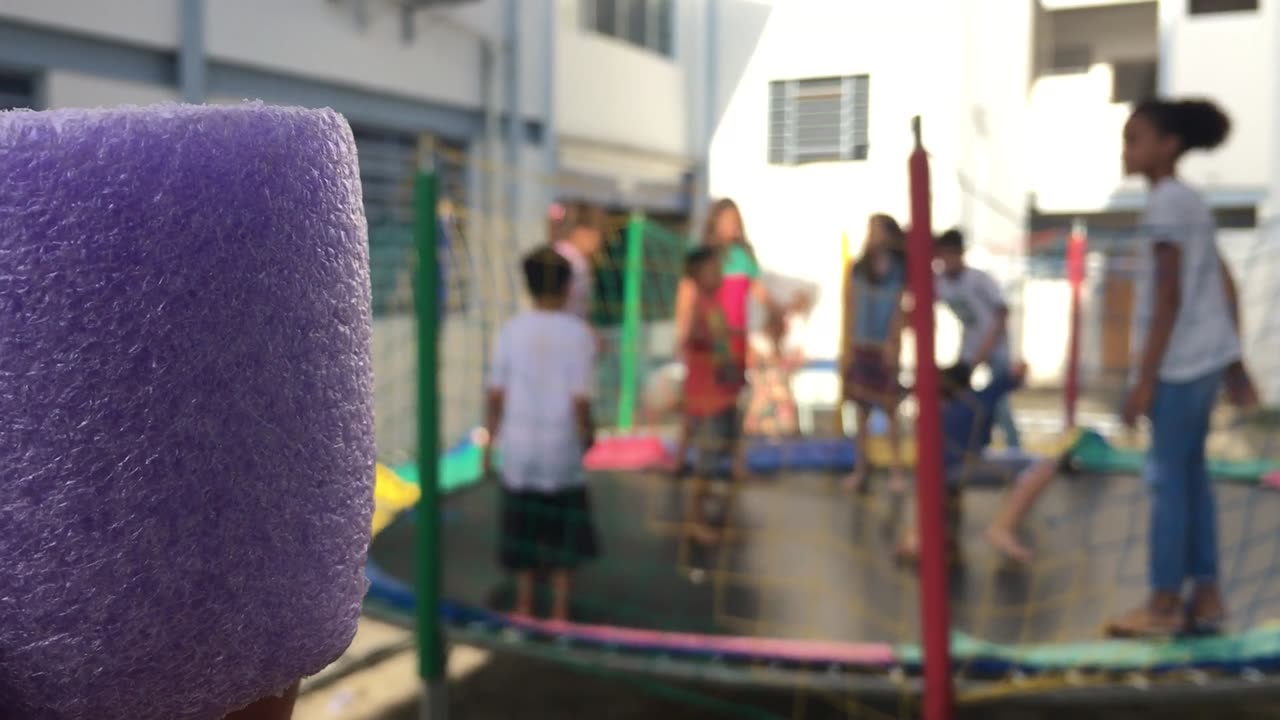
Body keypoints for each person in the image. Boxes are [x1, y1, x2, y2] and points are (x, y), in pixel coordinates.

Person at [1104, 98, 1253, 638]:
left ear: (1168, 145)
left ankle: (1165, 602)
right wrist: (1234, 360)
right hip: (1205, 357)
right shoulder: (1190, 200)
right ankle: (1207, 595)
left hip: (1180, 364)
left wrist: (1143, 379)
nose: (1127, 150)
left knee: (1167, 482)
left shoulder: (1167, 202)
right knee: (1191, 479)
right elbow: (1223, 280)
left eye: (1135, 138)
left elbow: (1168, 294)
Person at [482, 247, 598, 621]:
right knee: (564, 533)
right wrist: (588, 433)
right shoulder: (578, 334)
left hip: (520, 448)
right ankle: (561, 610)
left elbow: (496, 393)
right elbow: (580, 399)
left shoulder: (512, 330)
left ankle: (525, 604)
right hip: (560, 448)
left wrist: (490, 439)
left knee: (524, 529)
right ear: (567, 287)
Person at [671, 199, 806, 478]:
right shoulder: (703, 258)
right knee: (696, 400)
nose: (731, 225)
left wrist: (782, 310)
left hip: (733, 340)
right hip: (706, 340)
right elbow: (687, 297)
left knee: (733, 399)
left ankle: (737, 461)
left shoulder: (743, 258)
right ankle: (682, 457)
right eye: (726, 219)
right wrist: (682, 334)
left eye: (735, 219)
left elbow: (760, 293)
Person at [898, 363, 1026, 562]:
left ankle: (925, 539)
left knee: (943, 498)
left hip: (936, 473)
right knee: (1039, 466)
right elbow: (1012, 376)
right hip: (963, 468)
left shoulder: (932, 410)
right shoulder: (976, 401)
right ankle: (1002, 528)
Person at [934, 228, 1021, 450]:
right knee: (960, 397)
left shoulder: (978, 279)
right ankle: (970, 444)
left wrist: (986, 350)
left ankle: (1013, 447)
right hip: (969, 349)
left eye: (952, 254)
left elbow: (1001, 313)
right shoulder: (941, 282)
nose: (947, 260)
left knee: (999, 401)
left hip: (995, 347)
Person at [679, 246, 744, 544]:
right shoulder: (698, 304)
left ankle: (704, 505)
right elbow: (692, 336)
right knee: (705, 459)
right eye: (713, 270)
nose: (719, 274)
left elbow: (720, 346)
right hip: (705, 398)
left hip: (719, 393)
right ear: (697, 275)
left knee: (720, 450)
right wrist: (707, 337)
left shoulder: (713, 304)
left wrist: (730, 367)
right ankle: (695, 520)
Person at [841, 214, 909, 494]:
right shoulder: (859, 268)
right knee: (861, 411)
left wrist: (894, 344)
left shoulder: (898, 270)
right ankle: (861, 468)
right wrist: (847, 347)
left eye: (877, 230)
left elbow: (898, 309)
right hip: (862, 343)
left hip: (884, 346)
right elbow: (851, 307)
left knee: (891, 409)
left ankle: (896, 470)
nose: (872, 235)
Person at [745, 305, 804, 438]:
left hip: (782, 403)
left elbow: (800, 358)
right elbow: (751, 362)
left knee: (786, 439)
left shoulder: (788, 343)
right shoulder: (757, 341)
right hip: (763, 401)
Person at [552, 200, 605, 323]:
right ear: (582, 231)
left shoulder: (578, 259)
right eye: (596, 235)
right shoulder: (565, 257)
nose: (598, 242)